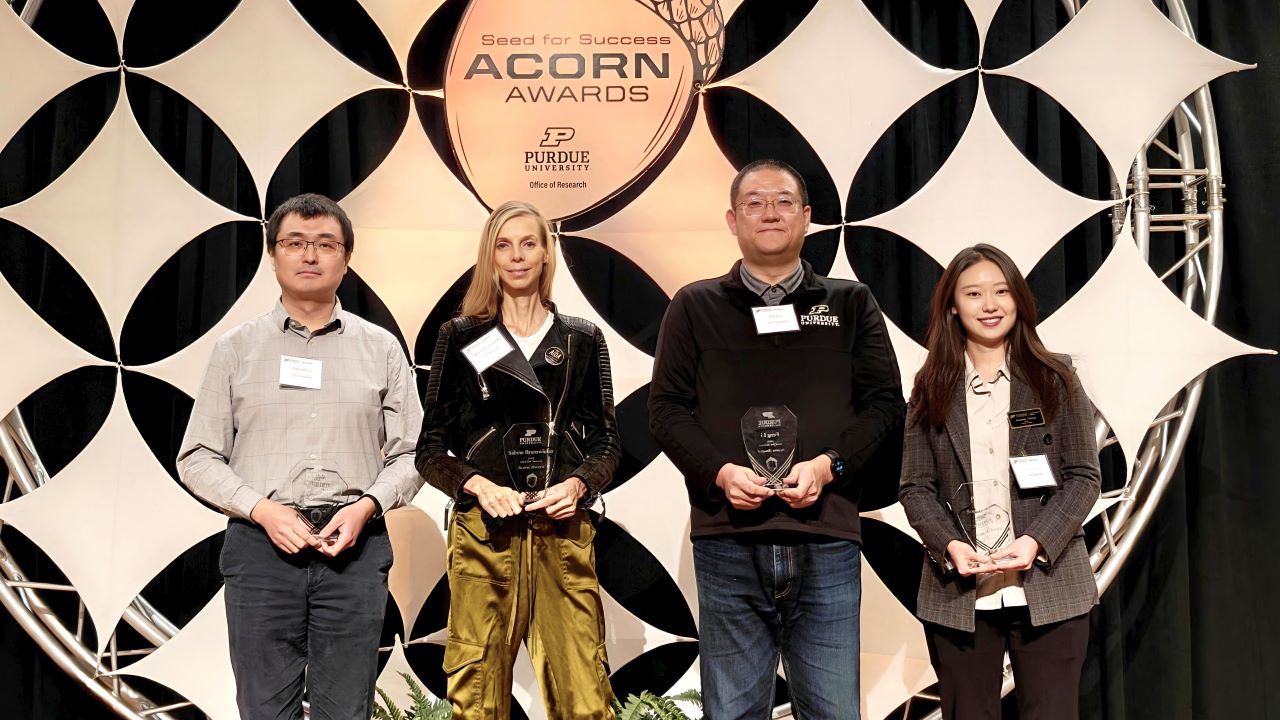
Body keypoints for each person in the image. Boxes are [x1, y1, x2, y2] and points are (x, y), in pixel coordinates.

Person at [648, 159, 906, 719]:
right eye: (754, 202)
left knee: (834, 711)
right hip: (726, 541)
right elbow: (665, 411)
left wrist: (828, 467)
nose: (770, 212)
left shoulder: (850, 303)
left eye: (784, 201)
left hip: (828, 536)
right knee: (733, 712)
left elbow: (885, 405)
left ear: (808, 217)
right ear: (732, 219)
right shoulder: (694, 306)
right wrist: (719, 472)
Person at [176, 193, 423, 720]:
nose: (310, 255)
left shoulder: (380, 348)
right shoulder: (236, 349)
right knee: (264, 710)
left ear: (346, 257)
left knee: (345, 711)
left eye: (325, 244)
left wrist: (366, 507)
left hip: (353, 552)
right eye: (295, 243)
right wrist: (262, 510)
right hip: (261, 550)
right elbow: (197, 456)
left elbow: (412, 453)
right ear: (273, 254)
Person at [416, 200, 619, 719]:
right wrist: (480, 486)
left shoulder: (582, 338)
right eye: (503, 245)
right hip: (485, 536)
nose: (517, 256)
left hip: (564, 532)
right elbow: (430, 451)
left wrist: (576, 486)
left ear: (547, 252)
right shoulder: (459, 337)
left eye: (529, 243)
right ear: (490, 257)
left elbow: (606, 446)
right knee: (476, 692)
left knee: (584, 695)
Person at [898, 244, 1101, 720]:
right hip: (959, 593)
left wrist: (1036, 540)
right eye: (973, 293)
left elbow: (1084, 477)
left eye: (1001, 291)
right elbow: (915, 487)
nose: (989, 305)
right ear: (953, 304)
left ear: (1018, 300)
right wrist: (949, 545)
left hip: (1049, 585)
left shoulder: (1056, 376)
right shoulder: (931, 385)